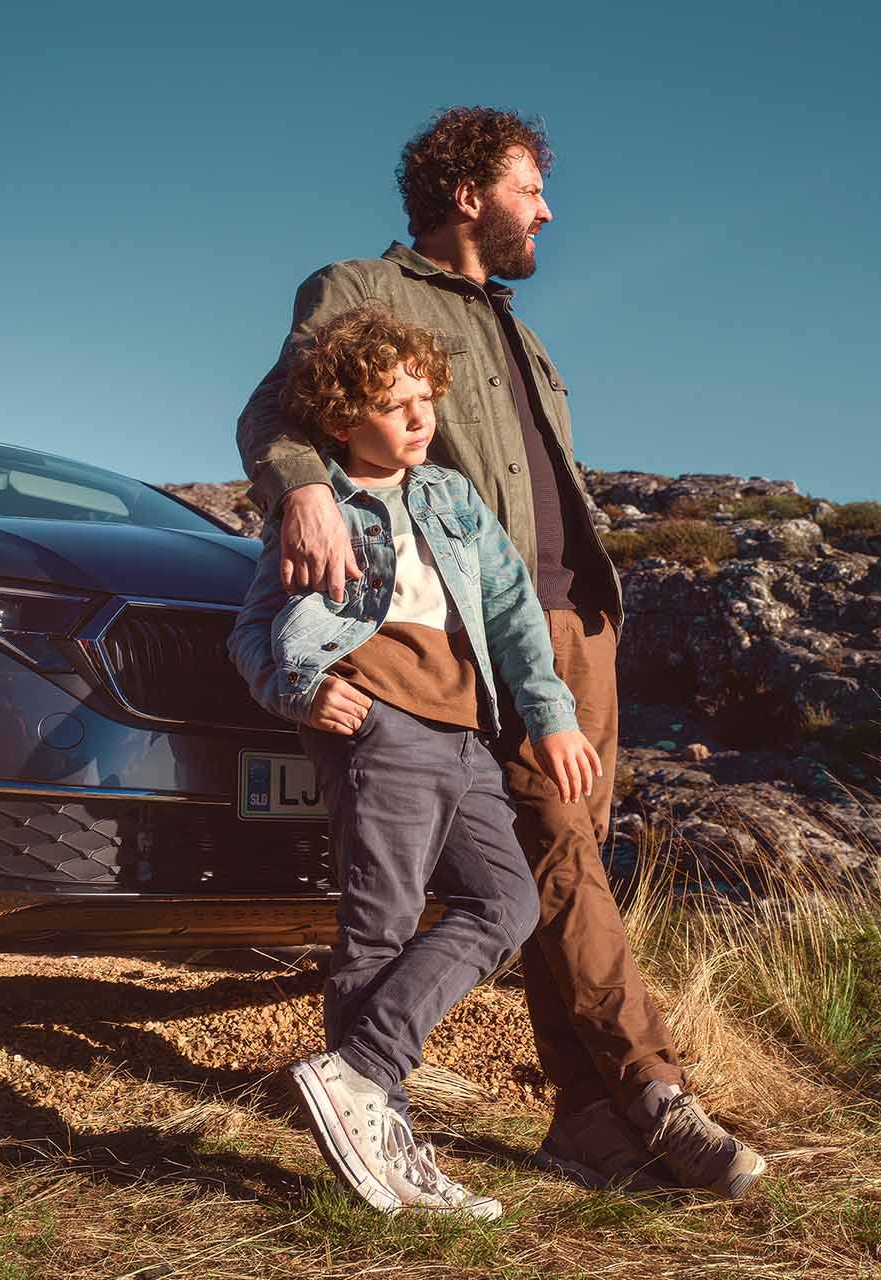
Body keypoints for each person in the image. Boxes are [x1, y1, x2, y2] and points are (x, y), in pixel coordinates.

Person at [229, 107, 763, 1198]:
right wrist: (305, 493)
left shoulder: (522, 332)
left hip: (570, 627)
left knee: (568, 872)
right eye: (531, 186)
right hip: (469, 644)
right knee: (549, 862)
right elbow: (274, 415)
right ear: (467, 192)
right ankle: (653, 1088)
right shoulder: (361, 290)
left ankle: (583, 1118)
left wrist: (580, 651)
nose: (548, 209)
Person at [228, 307, 599, 1219]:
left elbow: (512, 613)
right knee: (379, 928)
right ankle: (378, 1136)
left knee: (507, 903)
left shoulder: (451, 498)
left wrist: (550, 716)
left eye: (424, 398)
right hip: (379, 726)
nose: (419, 418)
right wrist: (300, 692)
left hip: (465, 730)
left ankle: (357, 1076)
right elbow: (248, 634)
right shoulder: (316, 513)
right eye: (394, 405)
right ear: (340, 419)